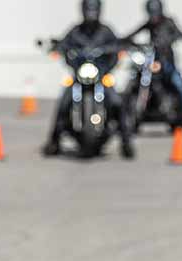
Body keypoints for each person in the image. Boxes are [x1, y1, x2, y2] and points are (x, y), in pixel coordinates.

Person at [44, 0, 135, 159]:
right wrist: (58, 47)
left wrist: (119, 49)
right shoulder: (76, 31)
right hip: (79, 77)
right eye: (88, 10)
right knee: (63, 102)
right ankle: (54, 141)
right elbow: (64, 44)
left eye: (93, 10)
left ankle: (126, 142)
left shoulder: (106, 31)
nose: (91, 14)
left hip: (102, 76)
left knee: (117, 102)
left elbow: (116, 46)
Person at [125, 0, 182, 132]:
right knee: (135, 77)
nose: (153, 16)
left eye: (155, 13)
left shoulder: (169, 22)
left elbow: (179, 33)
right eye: (151, 13)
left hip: (166, 63)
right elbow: (133, 33)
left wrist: (174, 37)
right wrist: (124, 40)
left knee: (180, 86)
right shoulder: (149, 24)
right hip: (151, 62)